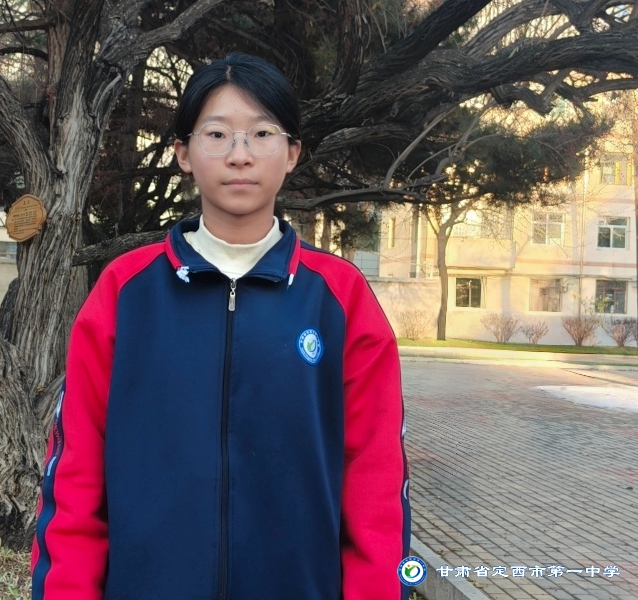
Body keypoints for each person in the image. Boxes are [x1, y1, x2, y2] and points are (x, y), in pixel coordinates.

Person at [31, 53, 410, 600]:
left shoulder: (338, 298)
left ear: (292, 153)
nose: (240, 155)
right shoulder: (125, 292)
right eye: (217, 134)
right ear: (184, 153)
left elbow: (376, 483)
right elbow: (75, 478)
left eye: (262, 133)